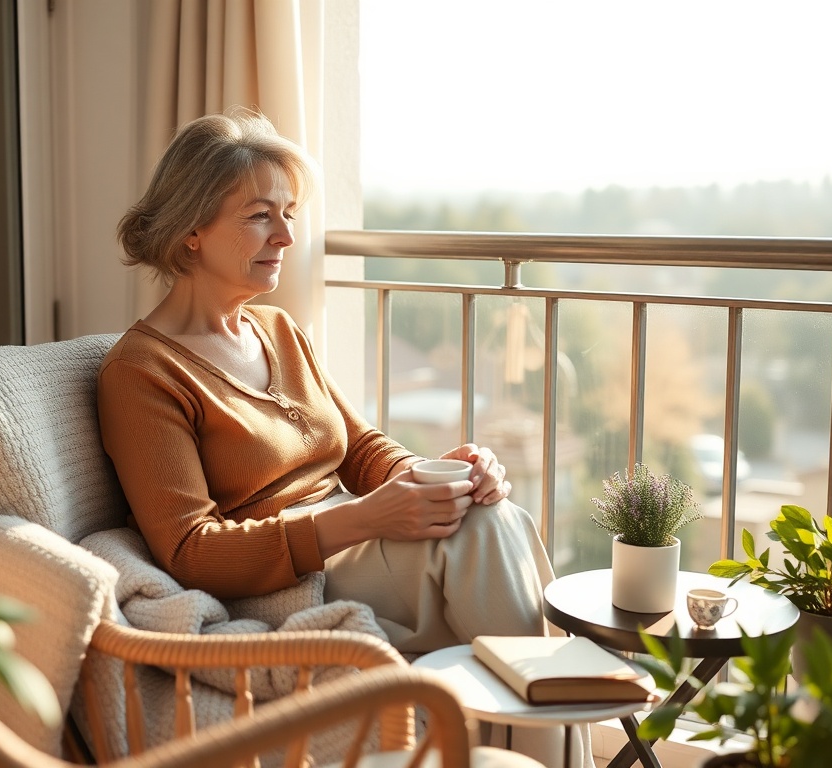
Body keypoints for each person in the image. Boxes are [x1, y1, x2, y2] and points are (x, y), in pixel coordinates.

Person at [98, 108, 593, 766]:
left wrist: (437, 473)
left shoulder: (277, 330)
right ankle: (556, 750)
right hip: (286, 577)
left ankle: (539, 749)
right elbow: (190, 550)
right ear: (191, 230)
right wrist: (365, 518)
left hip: (355, 539)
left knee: (489, 511)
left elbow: (360, 451)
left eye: (289, 213)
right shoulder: (142, 372)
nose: (285, 235)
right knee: (482, 533)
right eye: (258, 216)